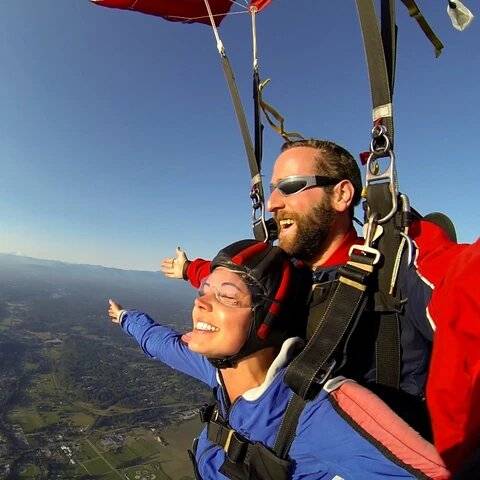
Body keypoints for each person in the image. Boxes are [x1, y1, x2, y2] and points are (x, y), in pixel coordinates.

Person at [160, 139, 480, 473]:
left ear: (342, 195)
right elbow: (238, 287)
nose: (272, 204)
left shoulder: (398, 269)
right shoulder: (291, 272)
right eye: (272, 190)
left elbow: (464, 287)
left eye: (290, 187)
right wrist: (189, 270)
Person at [109, 240, 448, 480]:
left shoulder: (320, 412)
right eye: (204, 291)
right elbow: (162, 343)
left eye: (226, 296)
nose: (201, 303)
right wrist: (126, 318)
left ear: (267, 321)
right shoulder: (216, 369)